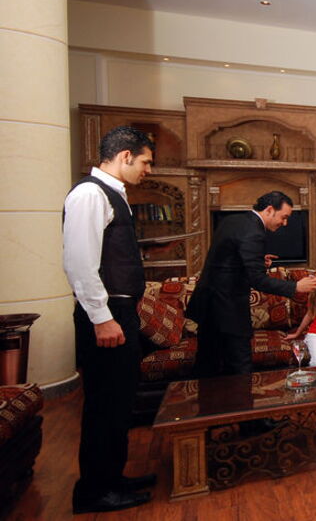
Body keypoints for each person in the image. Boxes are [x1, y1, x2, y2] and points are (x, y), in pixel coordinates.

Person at [63, 126, 156, 513]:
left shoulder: (113, 194)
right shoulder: (89, 194)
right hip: (105, 315)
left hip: (118, 312)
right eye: (146, 162)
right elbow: (79, 262)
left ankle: (112, 478)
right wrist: (102, 318)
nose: (148, 170)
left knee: (120, 402)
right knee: (104, 405)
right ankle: (94, 492)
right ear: (125, 156)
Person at [187, 191, 316, 377]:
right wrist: (296, 287)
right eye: (284, 217)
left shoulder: (233, 221)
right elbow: (257, 280)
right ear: (269, 210)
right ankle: (240, 397)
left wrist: (257, 260)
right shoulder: (254, 232)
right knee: (239, 368)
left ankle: (207, 397)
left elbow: (227, 258)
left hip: (209, 304)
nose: (285, 223)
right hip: (227, 308)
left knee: (207, 364)